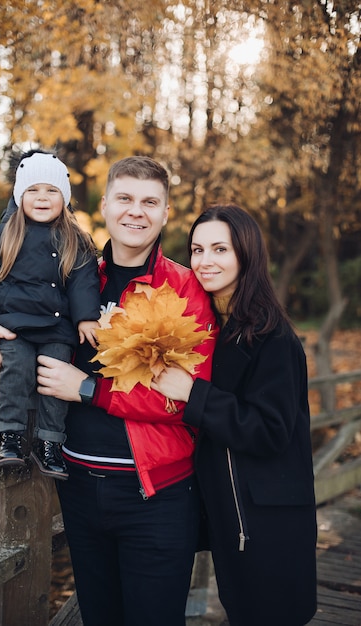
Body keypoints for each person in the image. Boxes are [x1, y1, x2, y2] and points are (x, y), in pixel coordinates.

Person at [0, 156, 216, 626]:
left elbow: (186, 401)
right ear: (104, 205)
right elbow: (5, 298)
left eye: (150, 202)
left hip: (157, 494)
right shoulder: (69, 269)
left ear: (166, 212)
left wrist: (87, 389)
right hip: (78, 490)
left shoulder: (184, 288)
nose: (135, 212)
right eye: (124, 198)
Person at [150, 204, 318, 626]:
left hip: (267, 519)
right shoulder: (208, 330)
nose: (205, 262)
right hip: (229, 515)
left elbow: (270, 431)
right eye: (197, 249)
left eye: (220, 249)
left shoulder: (273, 338)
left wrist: (193, 393)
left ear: (246, 254)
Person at [0, 150, 100, 480]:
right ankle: (10, 437)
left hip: (56, 327)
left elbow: (84, 282)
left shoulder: (75, 240)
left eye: (51, 191)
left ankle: (50, 442)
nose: (42, 198)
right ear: (19, 195)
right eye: (32, 190)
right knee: (15, 371)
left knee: (55, 378)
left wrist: (86, 317)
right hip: (11, 326)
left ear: (64, 197)